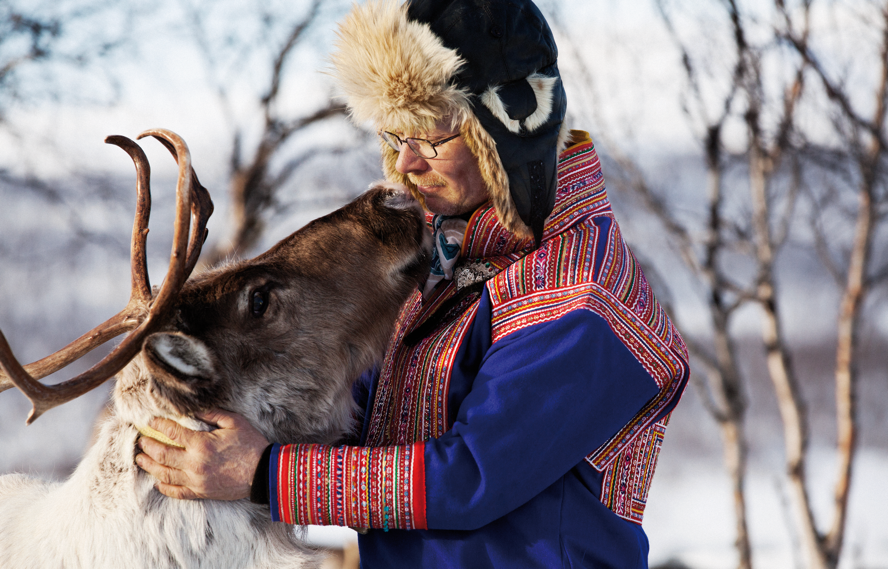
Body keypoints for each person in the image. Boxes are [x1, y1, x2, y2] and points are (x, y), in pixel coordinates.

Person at [135, 0, 690, 566]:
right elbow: (374, 435)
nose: (406, 162)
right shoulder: (444, 270)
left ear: (508, 127)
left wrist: (263, 474)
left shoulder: (580, 298)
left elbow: (471, 476)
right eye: (396, 134)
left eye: (430, 137)